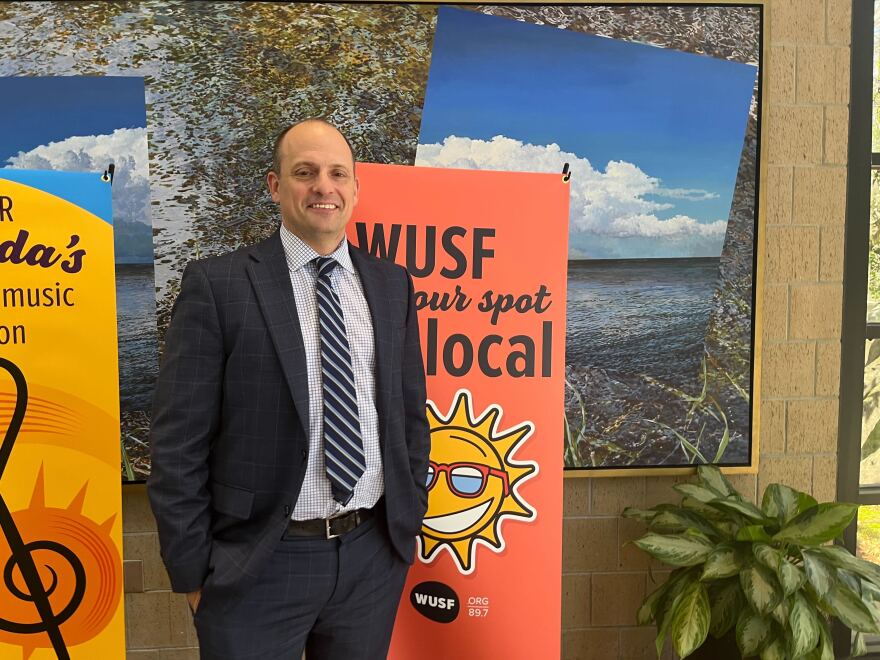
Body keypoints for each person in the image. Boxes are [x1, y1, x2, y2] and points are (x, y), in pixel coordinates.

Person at [147, 118, 430, 659]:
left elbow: (409, 415)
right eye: (305, 172)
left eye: (337, 173)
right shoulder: (219, 285)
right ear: (276, 186)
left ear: (355, 189)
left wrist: (406, 518)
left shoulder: (391, 284)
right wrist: (192, 573)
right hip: (256, 566)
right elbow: (178, 444)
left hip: (372, 556)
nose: (324, 186)